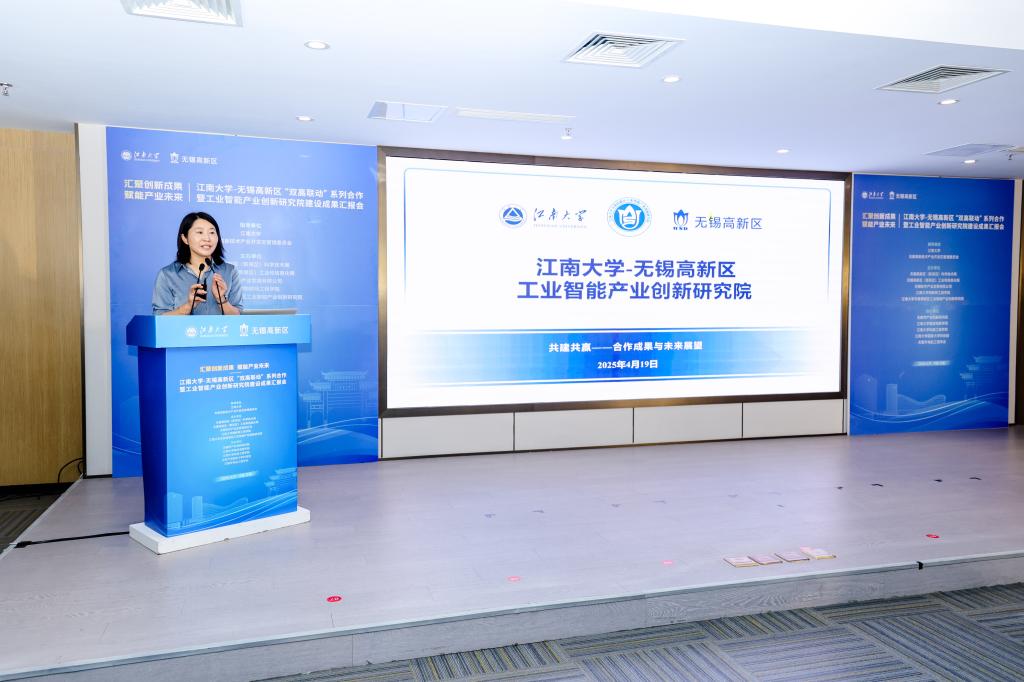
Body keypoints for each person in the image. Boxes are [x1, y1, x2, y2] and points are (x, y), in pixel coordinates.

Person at [152, 212, 243, 315]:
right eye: (200, 232)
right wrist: (188, 306)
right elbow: (159, 318)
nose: (207, 238)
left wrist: (221, 299)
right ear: (185, 238)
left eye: (212, 232)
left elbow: (238, 317)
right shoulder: (167, 275)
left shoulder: (230, 272)